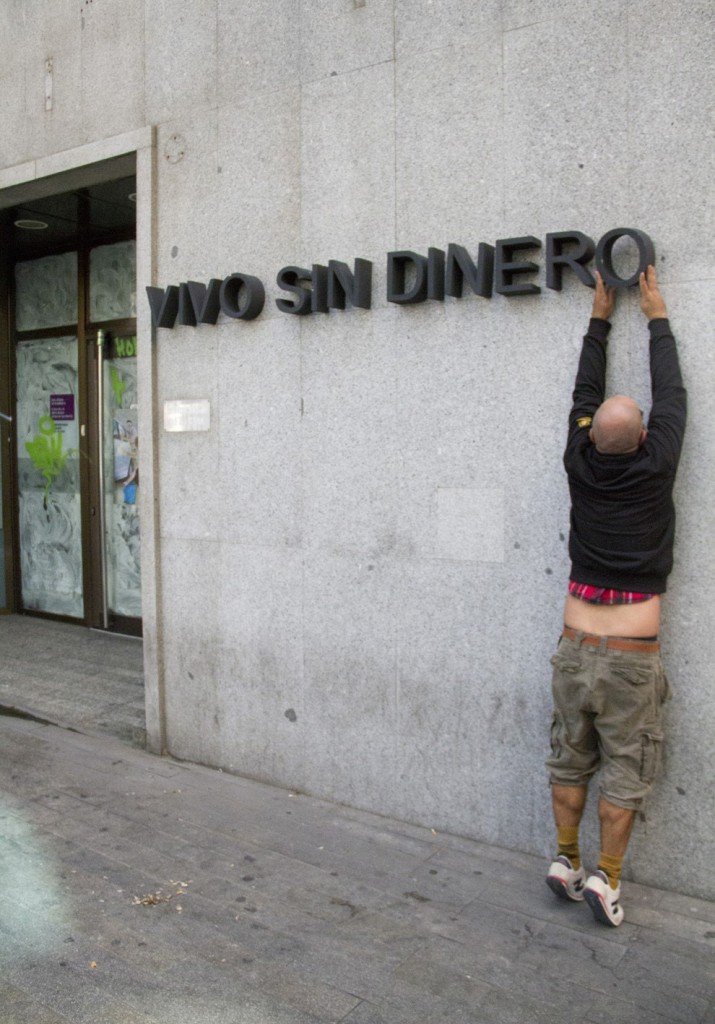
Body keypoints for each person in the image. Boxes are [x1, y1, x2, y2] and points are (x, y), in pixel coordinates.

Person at [545, 265, 687, 927]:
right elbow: (673, 394)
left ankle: (562, 858)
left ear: (590, 435)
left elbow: (583, 391)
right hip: (631, 656)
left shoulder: (577, 460)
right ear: (643, 437)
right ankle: (605, 878)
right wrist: (655, 313)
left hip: (574, 648)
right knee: (625, 770)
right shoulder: (657, 463)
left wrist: (599, 319)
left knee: (569, 755)